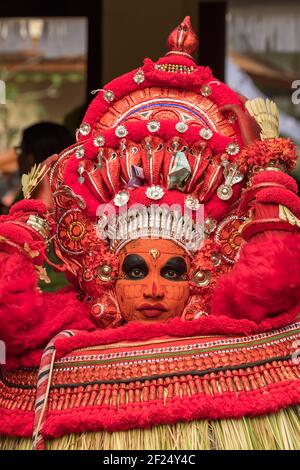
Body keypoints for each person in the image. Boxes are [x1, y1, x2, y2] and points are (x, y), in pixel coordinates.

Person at [0, 17, 299, 450]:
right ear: (108, 277)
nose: (154, 290)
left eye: (173, 272)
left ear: (199, 277)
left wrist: (265, 165)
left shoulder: (230, 323)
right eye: (135, 271)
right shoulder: (73, 331)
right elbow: (9, 308)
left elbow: (276, 274)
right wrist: (34, 209)